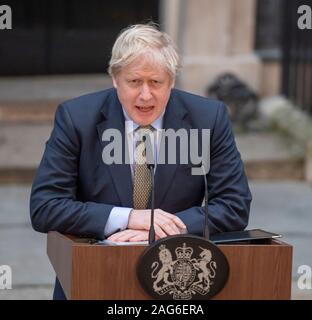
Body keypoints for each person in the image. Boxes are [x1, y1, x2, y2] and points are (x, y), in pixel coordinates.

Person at [30, 23, 252, 299]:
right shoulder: (76, 119)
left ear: (171, 81)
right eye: (134, 82)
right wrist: (130, 218)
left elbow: (234, 205)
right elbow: (45, 206)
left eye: (156, 82)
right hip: (94, 275)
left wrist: (163, 229)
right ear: (115, 79)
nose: (145, 95)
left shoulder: (208, 119)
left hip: (178, 282)